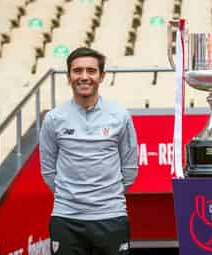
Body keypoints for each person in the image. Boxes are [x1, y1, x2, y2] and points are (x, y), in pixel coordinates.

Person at [39, 47, 138, 255]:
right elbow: (48, 170)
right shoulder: (54, 118)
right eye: (77, 71)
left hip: (111, 217)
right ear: (68, 77)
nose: (84, 77)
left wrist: (107, 198)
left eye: (91, 71)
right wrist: (69, 198)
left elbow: (129, 168)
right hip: (66, 219)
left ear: (102, 76)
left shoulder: (119, 115)